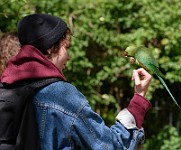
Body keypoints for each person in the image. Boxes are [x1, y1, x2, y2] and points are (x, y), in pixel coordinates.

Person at [1, 13, 152, 150]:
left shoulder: (6, 89)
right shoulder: (61, 96)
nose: (69, 56)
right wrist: (138, 100)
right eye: (66, 47)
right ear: (50, 48)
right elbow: (112, 146)